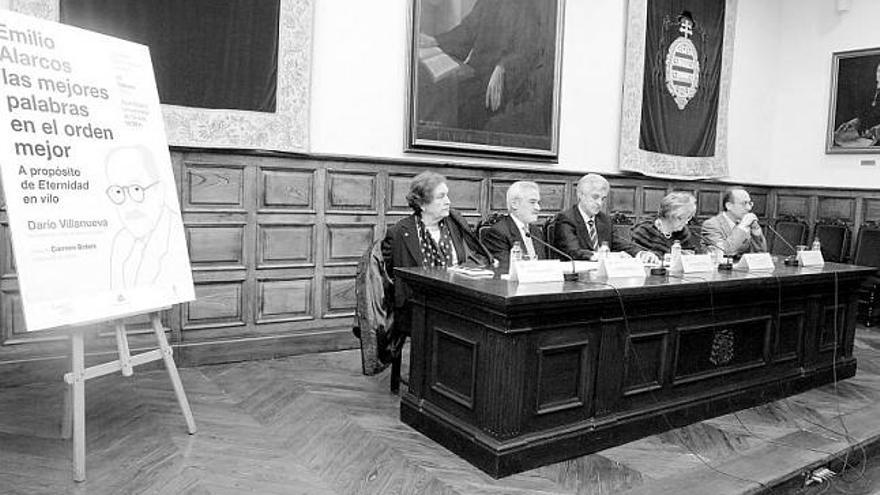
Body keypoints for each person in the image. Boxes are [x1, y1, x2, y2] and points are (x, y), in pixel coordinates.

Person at [418, 0, 544, 132]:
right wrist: (435, 41)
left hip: (502, 81)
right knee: (437, 89)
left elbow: (528, 49)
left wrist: (503, 66)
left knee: (456, 106)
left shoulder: (527, 6)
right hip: (476, 71)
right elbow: (467, 31)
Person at [382, 171, 492, 309]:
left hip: (457, 302)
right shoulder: (399, 232)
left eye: (447, 195)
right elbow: (386, 277)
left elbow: (475, 255)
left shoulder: (456, 223)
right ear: (422, 204)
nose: (448, 201)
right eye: (441, 197)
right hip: (416, 308)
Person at [105, 144, 184, 291]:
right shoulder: (120, 241)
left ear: (159, 191)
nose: (128, 202)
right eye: (117, 191)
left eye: (136, 188)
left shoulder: (177, 235)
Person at [553, 174, 625, 260]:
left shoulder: (605, 220)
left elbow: (621, 243)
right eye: (595, 197)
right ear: (580, 195)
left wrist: (640, 253)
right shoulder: (566, 219)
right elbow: (573, 251)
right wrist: (598, 256)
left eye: (603, 199)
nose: (600, 203)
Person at [482, 181, 547, 271]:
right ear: (514, 204)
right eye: (532, 202)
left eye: (538, 203)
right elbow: (505, 268)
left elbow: (543, 264)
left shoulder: (536, 232)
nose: (538, 208)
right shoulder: (498, 232)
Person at [625, 192, 703, 263]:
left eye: (688, 218)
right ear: (669, 216)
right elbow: (636, 255)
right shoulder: (644, 231)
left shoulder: (683, 232)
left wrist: (689, 256)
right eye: (681, 218)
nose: (686, 222)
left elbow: (692, 253)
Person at [701, 187, 767, 257]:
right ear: (729, 206)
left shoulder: (746, 223)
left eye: (750, 203)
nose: (749, 208)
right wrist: (742, 227)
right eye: (744, 203)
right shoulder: (711, 225)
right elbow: (723, 251)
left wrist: (756, 234)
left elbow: (761, 253)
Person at [835, 60, 880, 146]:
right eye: (879, 71)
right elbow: (867, 115)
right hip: (865, 136)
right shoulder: (870, 92)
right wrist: (856, 121)